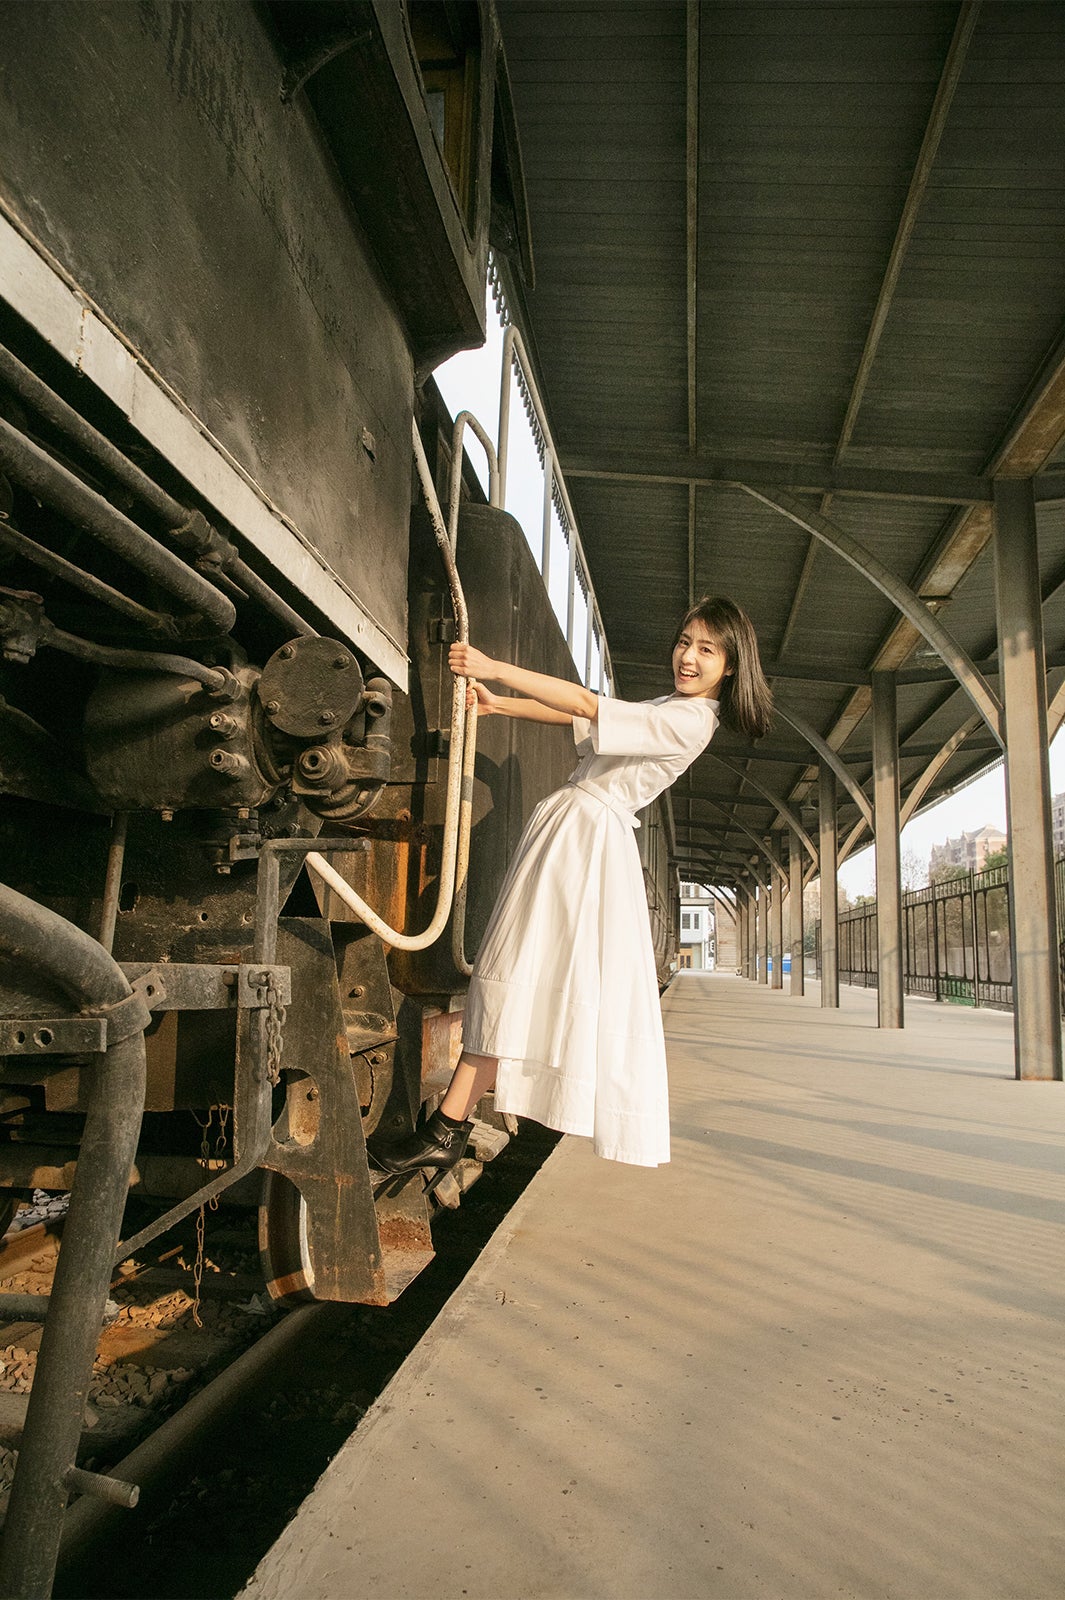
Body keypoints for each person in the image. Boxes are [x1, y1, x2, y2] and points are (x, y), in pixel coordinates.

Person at [369, 595, 772, 1184]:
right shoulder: (672, 707)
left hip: (583, 840)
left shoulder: (691, 719)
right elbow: (583, 718)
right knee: (513, 974)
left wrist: (492, 666)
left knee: (511, 971)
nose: (688, 657)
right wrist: (501, 704)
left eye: (706, 650)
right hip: (575, 833)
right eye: (685, 642)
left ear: (731, 666)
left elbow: (585, 701)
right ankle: (446, 1129)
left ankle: (445, 1131)